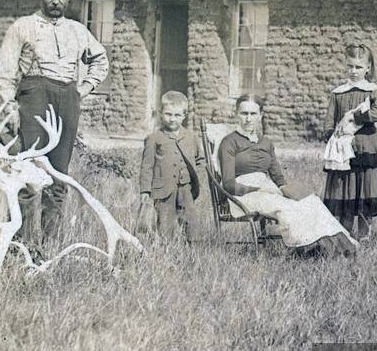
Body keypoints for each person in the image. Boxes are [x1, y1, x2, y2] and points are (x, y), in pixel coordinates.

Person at [0, 0, 109, 245]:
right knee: (28, 171)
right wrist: (10, 107)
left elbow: (101, 60)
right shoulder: (23, 26)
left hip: (67, 99)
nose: (55, 0)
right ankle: (20, 242)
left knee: (58, 172)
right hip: (33, 97)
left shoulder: (77, 30)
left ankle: (50, 243)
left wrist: (82, 90)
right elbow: (5, 71)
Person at [218, 94, 357, 257]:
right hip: (242, 195)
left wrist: (291, 191)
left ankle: (339, 246)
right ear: (236, 114)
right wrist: (260, 189)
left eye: (253, 114)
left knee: (311, 201)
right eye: (244, 113)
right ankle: (303, 249)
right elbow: (228, 184)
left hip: (268, 189)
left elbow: (278, 178)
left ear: (260, 115)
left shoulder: (266, 142)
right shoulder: (229, 142)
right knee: (286, 207)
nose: (248, 119)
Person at [321, 43, 377, 240]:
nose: (354, 71)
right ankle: (345, 233)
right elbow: (329, 119)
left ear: (368, 68)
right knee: (345, 187)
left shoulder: (372, 90)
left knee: (364, 188)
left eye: (358, 67)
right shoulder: (338, 92)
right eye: (350, 66)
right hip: (343, 149)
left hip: (365, 146)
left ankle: (364, 234)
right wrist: (331, 136)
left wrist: (356, 117)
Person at [138, 91, 204, 243]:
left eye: (177, 115)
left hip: (186, 188)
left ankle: (192, 248)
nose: (172, 119)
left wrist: (196, 176)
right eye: (168, 114)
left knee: (191, 221)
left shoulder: (191, 137)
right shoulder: (154, 138)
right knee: (165, 223)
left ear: (184, 115)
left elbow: (200, 159)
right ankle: (166, 248)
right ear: (161, 113)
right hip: (163, 189)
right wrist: (145, 190)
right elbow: (147, 166)